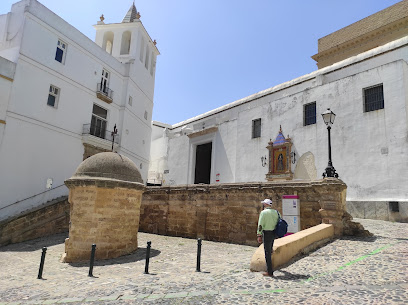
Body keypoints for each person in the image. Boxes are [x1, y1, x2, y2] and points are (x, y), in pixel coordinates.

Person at [257, 198, 279, 277]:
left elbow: (260, 225)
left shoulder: (263, 213)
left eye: (264, 204)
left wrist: (259, 235)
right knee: (270, 250)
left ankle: (269, 271)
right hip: (273, 233)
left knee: (267, 252)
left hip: (267, 233)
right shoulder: (276, 212)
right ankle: (271, 267)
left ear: (266, 205)